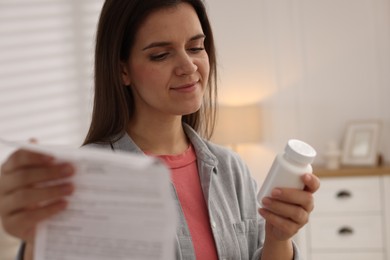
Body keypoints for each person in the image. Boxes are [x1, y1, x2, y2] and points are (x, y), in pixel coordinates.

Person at [0, 0, 320, 259]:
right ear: (122, 69)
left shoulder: (231, 169)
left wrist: (280, 238)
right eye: (161, 54)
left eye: (195, 47)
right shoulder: (86, 178)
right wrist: (35, 242)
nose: (188, 66)